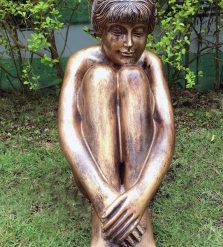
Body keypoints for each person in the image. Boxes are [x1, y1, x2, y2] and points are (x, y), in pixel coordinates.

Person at [58, 0, 175, 246]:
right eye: (118, 32)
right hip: (96, 178)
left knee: (133, 76)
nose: (129, 43)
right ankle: (105, 222)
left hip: (139, 174)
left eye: (139, 33)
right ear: (101, 30)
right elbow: (69, 129)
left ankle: (139, 218)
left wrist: (140, 197)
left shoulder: (149, 62)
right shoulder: (81, 62)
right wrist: (103, 200)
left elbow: (165, 128)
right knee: (100, 77)